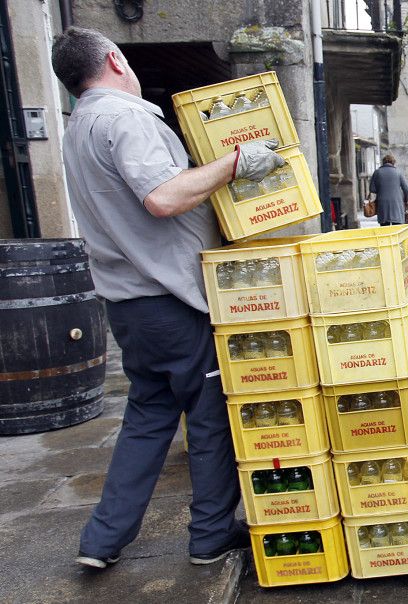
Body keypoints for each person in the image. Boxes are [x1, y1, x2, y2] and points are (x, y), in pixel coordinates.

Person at [51, 26, 285, 570]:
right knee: (209, 419)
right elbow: (161, 197)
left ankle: (101, 541)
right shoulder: (125, 118)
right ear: (113, 58)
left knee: (148, 417)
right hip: (170, 301)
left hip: (126, 305)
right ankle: (208, 538)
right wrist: (235, 163)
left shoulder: (78, 125)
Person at [367, 155, 408, 225]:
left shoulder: (377, 172)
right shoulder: (398, 172)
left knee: (385, 227)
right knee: (397, 226)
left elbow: (372, 189)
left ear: (383, 162)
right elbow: (406, 189)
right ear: (393, 162)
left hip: (382, 203)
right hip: (397, 203)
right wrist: (406, 200)